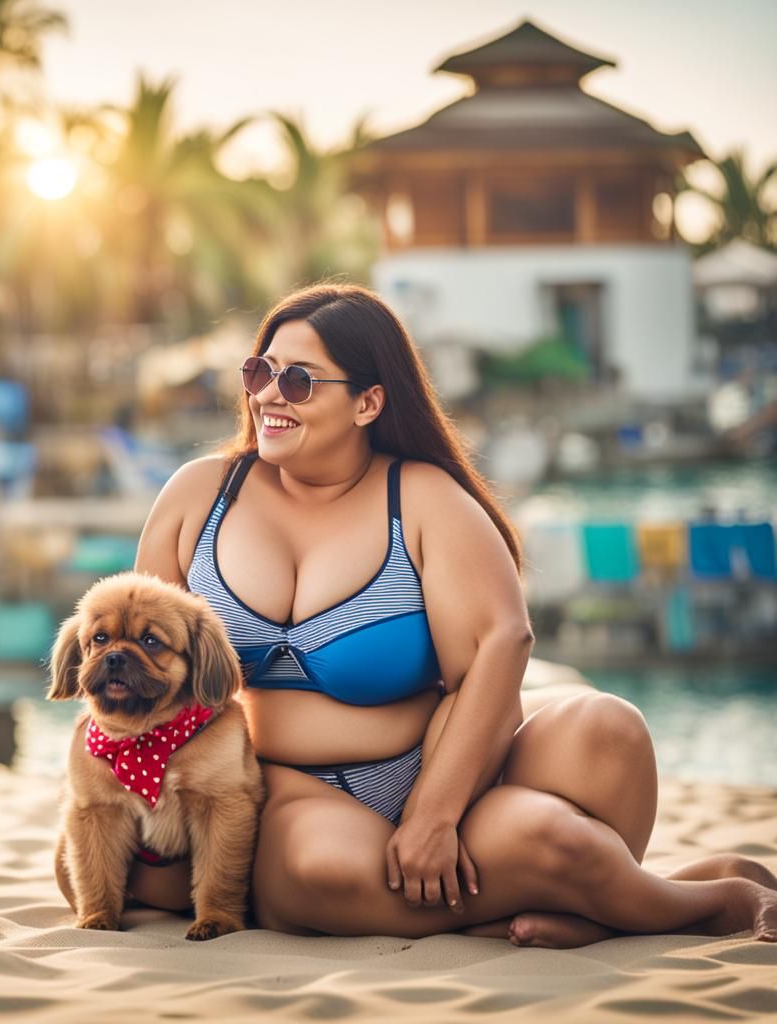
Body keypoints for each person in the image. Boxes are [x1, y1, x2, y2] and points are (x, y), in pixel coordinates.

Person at [132, 282, 777, 945]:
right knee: (321, 870)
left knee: (608, 731)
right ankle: (697, 899)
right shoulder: (200, 496)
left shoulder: (419, 496)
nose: (268, 393)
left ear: (369, 401)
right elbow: (125, 663)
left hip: (447, 775)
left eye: (298, 380)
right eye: (259, 371)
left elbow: (504, 640)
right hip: (287, 790)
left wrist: (435, 814)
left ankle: (613, 899)